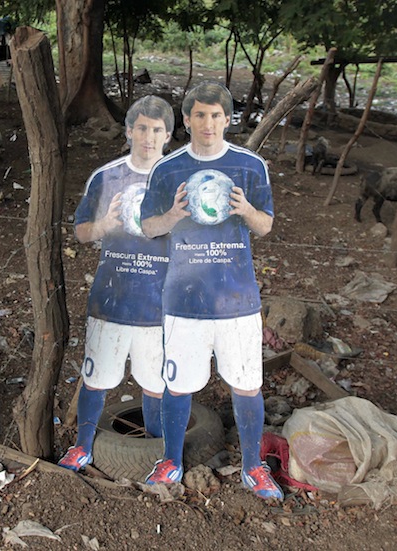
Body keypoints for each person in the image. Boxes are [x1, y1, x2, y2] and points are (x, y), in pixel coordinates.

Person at [139, 82, 283, 500]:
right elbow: (148, 227)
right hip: (184, 299)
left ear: (228, 119)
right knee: (178, 385)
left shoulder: (249, 165)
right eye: (200, 115)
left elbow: (266, 226)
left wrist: (246, 210)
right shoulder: (167, 169)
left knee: (247, 384)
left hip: (237, 299)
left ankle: (253, 467)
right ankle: (171, 460)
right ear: (186, 120)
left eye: (216, 115)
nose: (208, 123)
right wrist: (172, 214)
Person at [58, 96, 175, 471]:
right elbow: (81, 232)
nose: (148, 137)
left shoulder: (179, 179)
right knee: (96, 378)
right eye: (141, 128)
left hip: (160, 306)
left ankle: (156, 452)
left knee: (156, 383)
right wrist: (105, 225)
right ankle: (82, 446)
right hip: (111, 301)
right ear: (128, 131)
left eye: (156, 129)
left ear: (168, 135)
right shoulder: (106, 177)